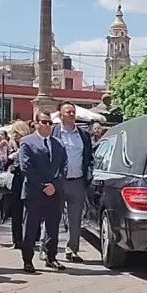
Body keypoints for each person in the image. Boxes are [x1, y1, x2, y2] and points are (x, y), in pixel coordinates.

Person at [20, 110, 68, 273]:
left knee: (53, 227)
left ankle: (51, 257)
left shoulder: (59, 144)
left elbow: (64, 167)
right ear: (36, 123)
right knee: (31, 227)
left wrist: (55, 184)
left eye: (50, 123)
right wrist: (42, 186)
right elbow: (26, 167)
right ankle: (27, 259)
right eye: (44, 122)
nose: (48, 125)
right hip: (34, 192)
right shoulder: (27, 142)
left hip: (54, 191)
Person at [52, 102, 94, 263]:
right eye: (68, 112)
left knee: (75, 219)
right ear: (60, 115)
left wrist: (88, 175)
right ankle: (48, 249)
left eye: (73, 112)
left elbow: (89, 157)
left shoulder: (83, 135)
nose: (71, 114)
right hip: (59, 182)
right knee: (52, 217)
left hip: (78, 181)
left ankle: (72, 250)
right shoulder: (54, 132)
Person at [6, 121, 30, 249]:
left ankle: (28, 238)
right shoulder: (12, 146)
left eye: (16, 132)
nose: (14, 135)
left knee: (26, 212)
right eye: (13, 132)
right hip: (14, 181)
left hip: (26, 181)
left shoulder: (29, 144)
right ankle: (17, 240)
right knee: (15, 212)